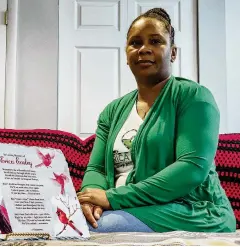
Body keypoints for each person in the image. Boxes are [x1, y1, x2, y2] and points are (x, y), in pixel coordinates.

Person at [77, 8, 236, 233]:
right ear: (126, 54)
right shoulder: (112, 111)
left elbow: (191, 169)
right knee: (67, 220)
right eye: (135, 43)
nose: (144, 49)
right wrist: (91, 199)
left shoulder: (194, 97)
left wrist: (112, 198)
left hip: (191, 210)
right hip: (127, 207)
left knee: (97, 227)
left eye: (155, 41)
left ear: (173, 52)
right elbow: (98, 168)